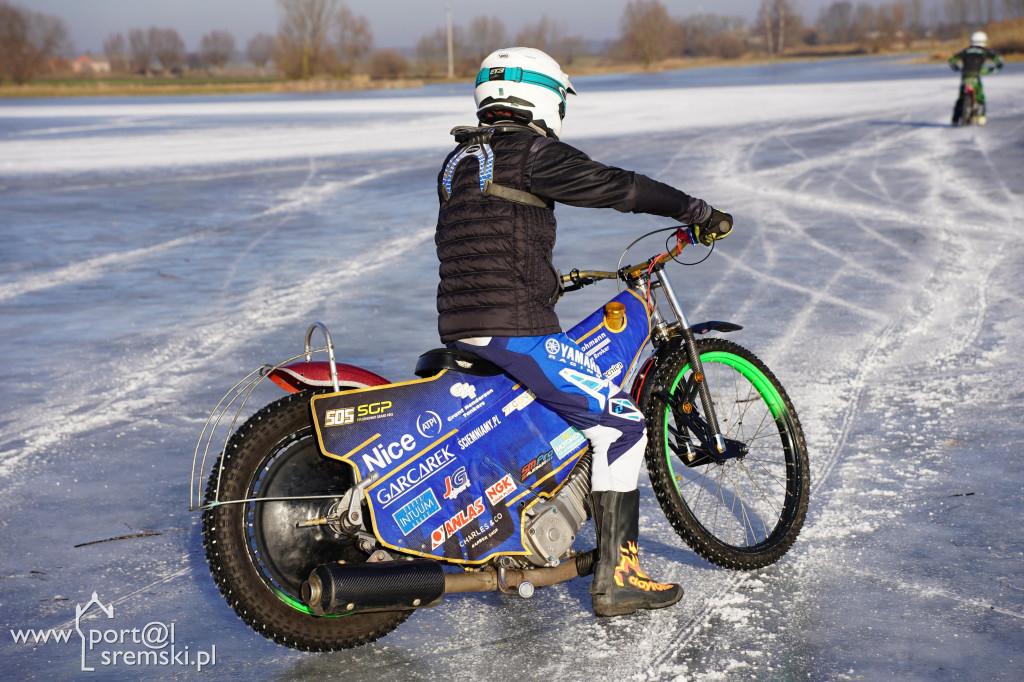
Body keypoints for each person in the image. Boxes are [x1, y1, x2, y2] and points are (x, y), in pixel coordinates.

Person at [434, 47, 733, 617]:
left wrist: (548, 284)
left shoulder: (459, 162)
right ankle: (619, 577)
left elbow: (490, 243)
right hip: (512, 328)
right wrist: (693, 209)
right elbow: (614, 187)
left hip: (465, 324)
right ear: (542, 95)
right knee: (621, 424)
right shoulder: (529, 152)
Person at [950, 31, 1003, 125]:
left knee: (961, 97)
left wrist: (956, 68)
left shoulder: (965, 51)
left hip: (965, 76)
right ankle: (981, 116)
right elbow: (998, 60)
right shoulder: (985, 51)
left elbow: (952, 60)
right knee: (980, 96)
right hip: (976, 75)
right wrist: (993, 69)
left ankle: (955, 119)